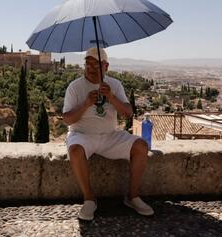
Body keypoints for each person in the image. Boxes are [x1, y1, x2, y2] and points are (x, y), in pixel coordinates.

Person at [62, 47, 154, 221]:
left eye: (95, 65)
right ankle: (89, 198)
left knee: (141, 146)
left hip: (110, 135)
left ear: (106, 66)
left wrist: (111, 97)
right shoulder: (74, 87)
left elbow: (128, 113)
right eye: (88, 64)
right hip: (82, 135)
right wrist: (85, 104)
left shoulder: (115, 85)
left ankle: (133, 197)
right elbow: (67, 119)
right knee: (74, 150)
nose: (90, 68)